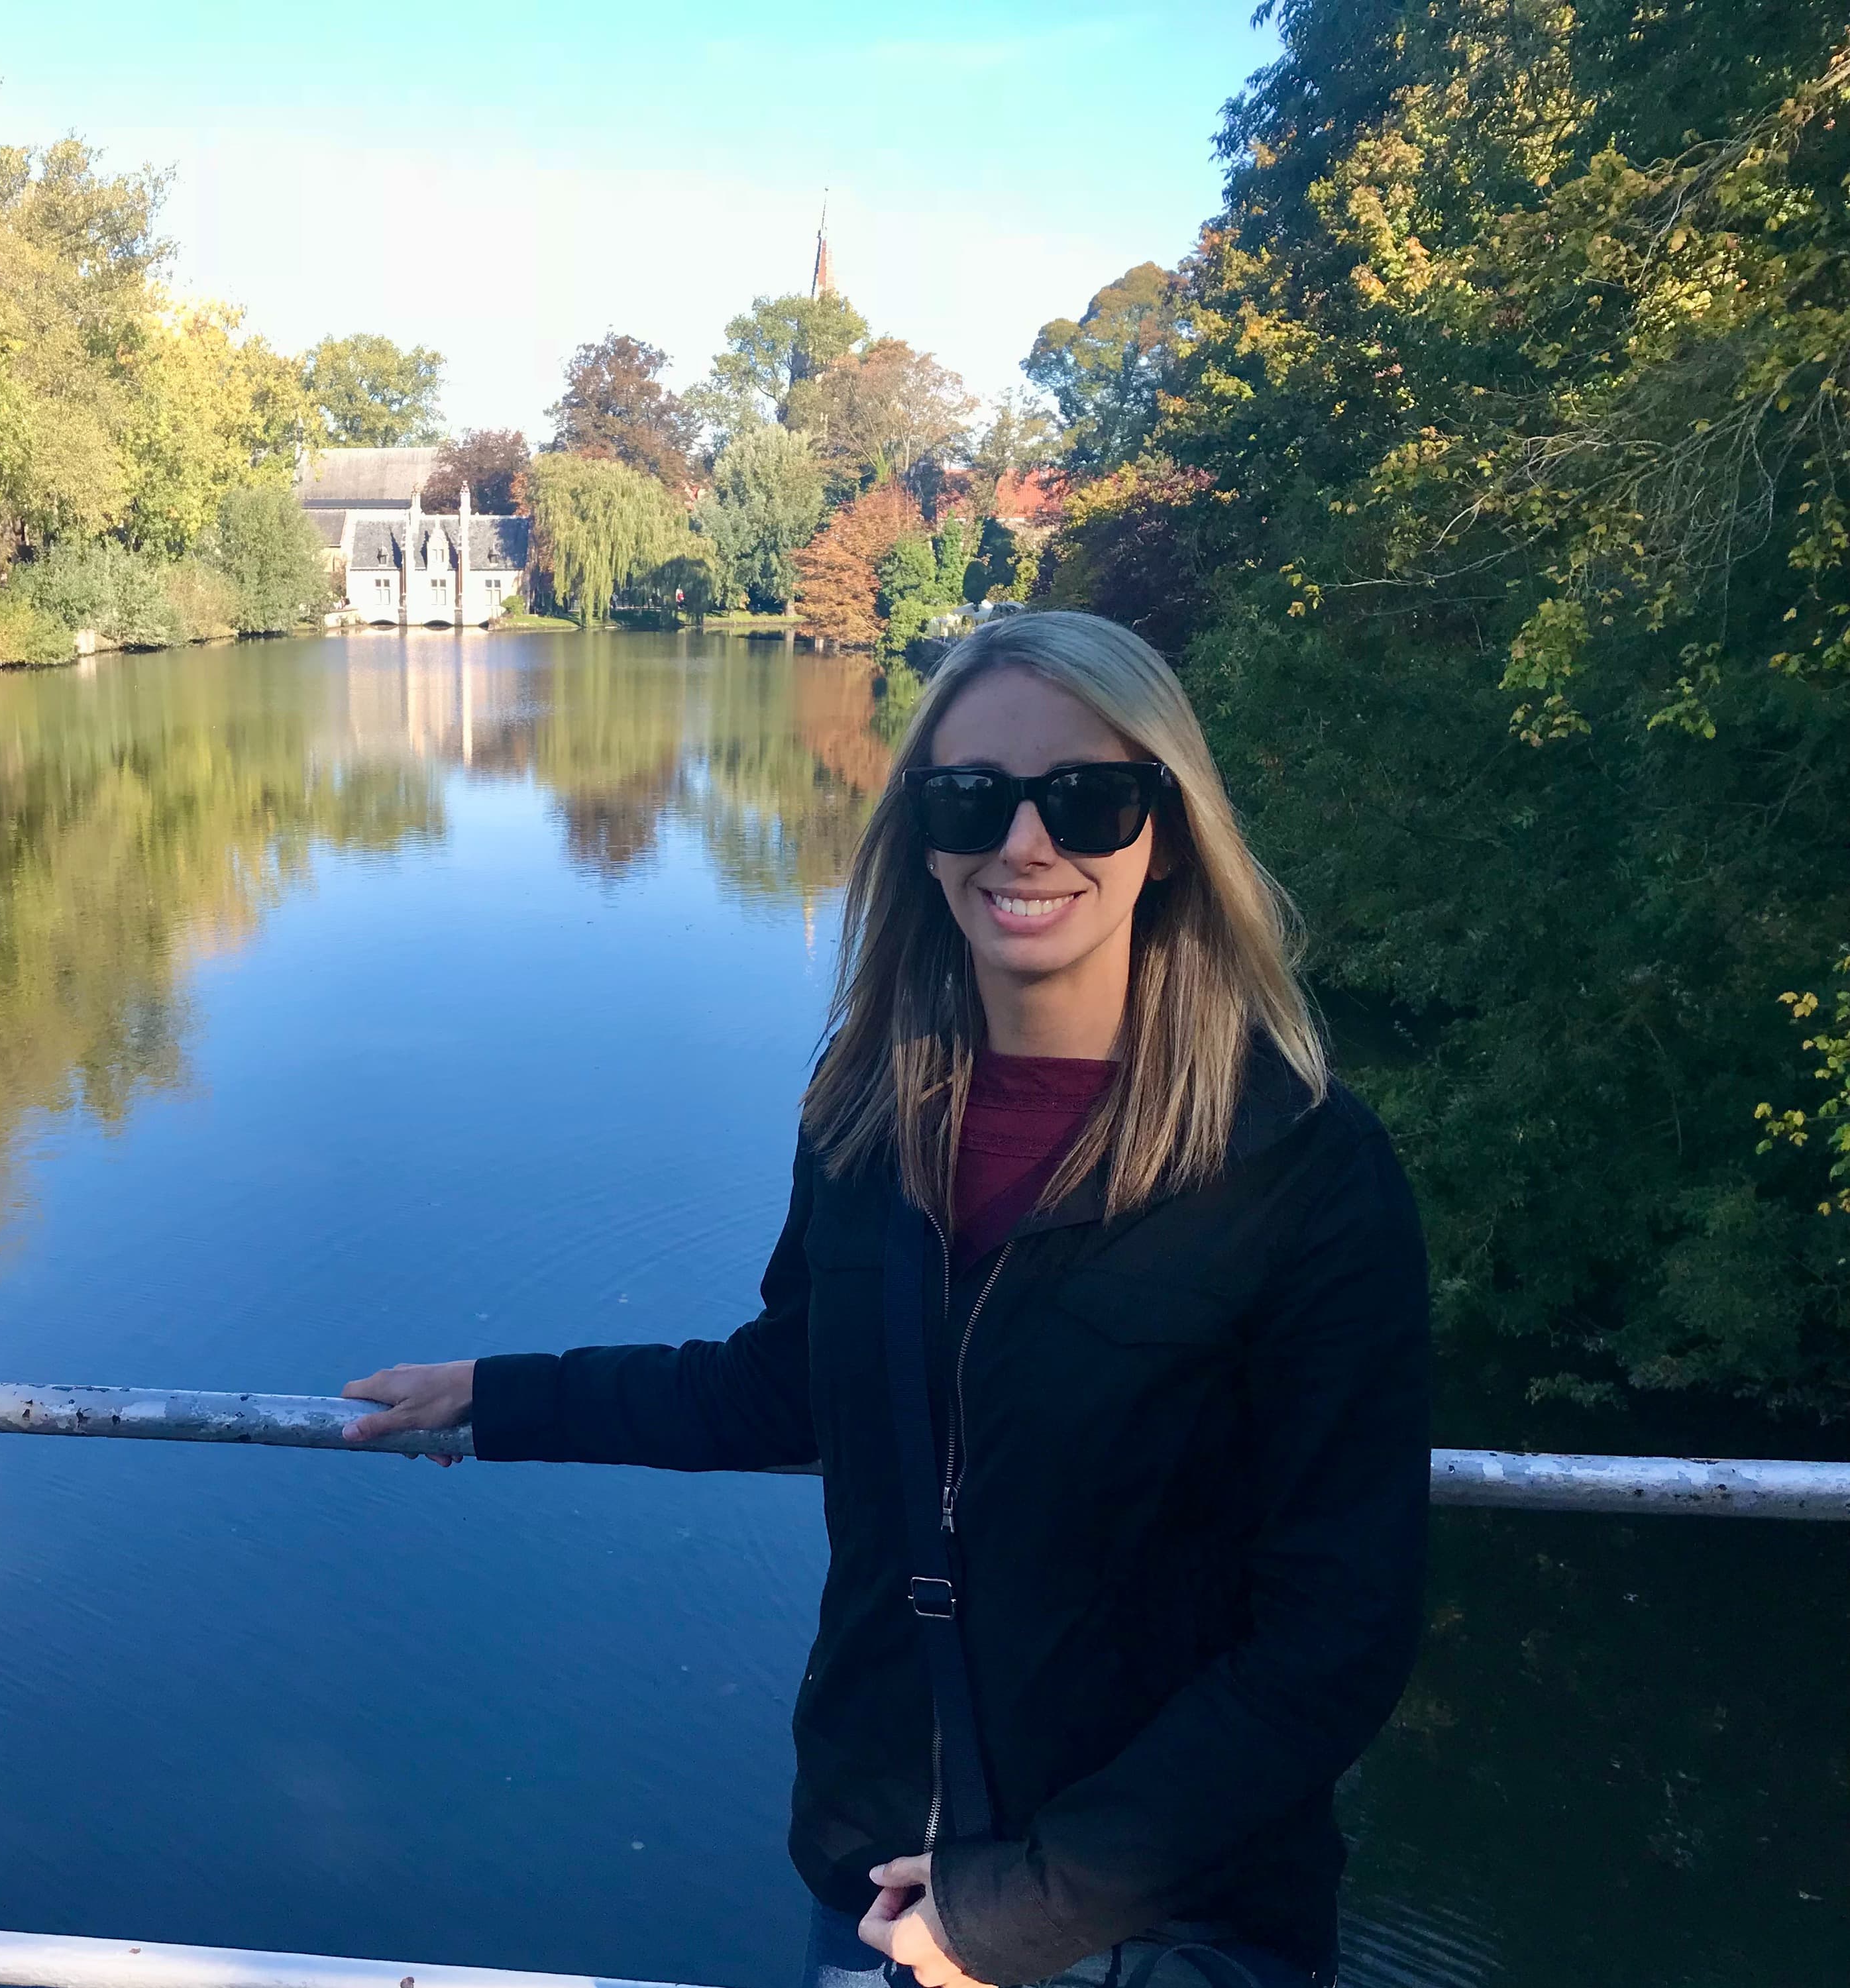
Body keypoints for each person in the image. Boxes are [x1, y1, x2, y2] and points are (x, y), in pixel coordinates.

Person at [343, 611, 1431, 1988]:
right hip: (881, 1883)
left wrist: (1017, 1910)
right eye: (971, 796)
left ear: (1166, 828)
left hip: (1167, 1911)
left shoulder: (1299, 1167)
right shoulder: (867, 1110)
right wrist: (500, 1396)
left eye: (1089, 800)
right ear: (921, 829)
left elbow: (1340, 1635)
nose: (1025, 844)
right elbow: (785, 1383)